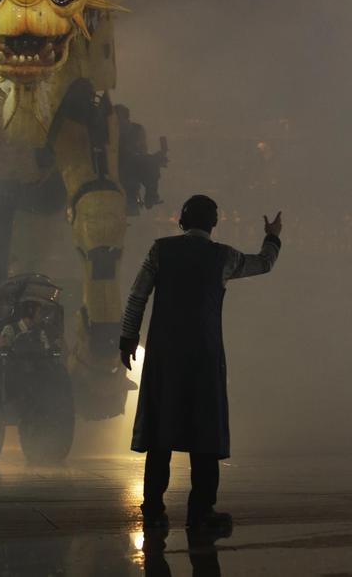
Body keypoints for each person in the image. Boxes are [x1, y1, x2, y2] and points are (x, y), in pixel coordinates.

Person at [119, 194, 283, 533]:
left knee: (160, 433)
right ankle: (201, 512)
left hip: (165, 356)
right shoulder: (223, 257)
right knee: (205, 434)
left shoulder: (160, 251)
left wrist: (128, 338)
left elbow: (137, 296)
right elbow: (264, 263)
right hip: (204, 357)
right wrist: (272, 237)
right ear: (213, 223)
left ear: (181, 220)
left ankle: (153, 508)